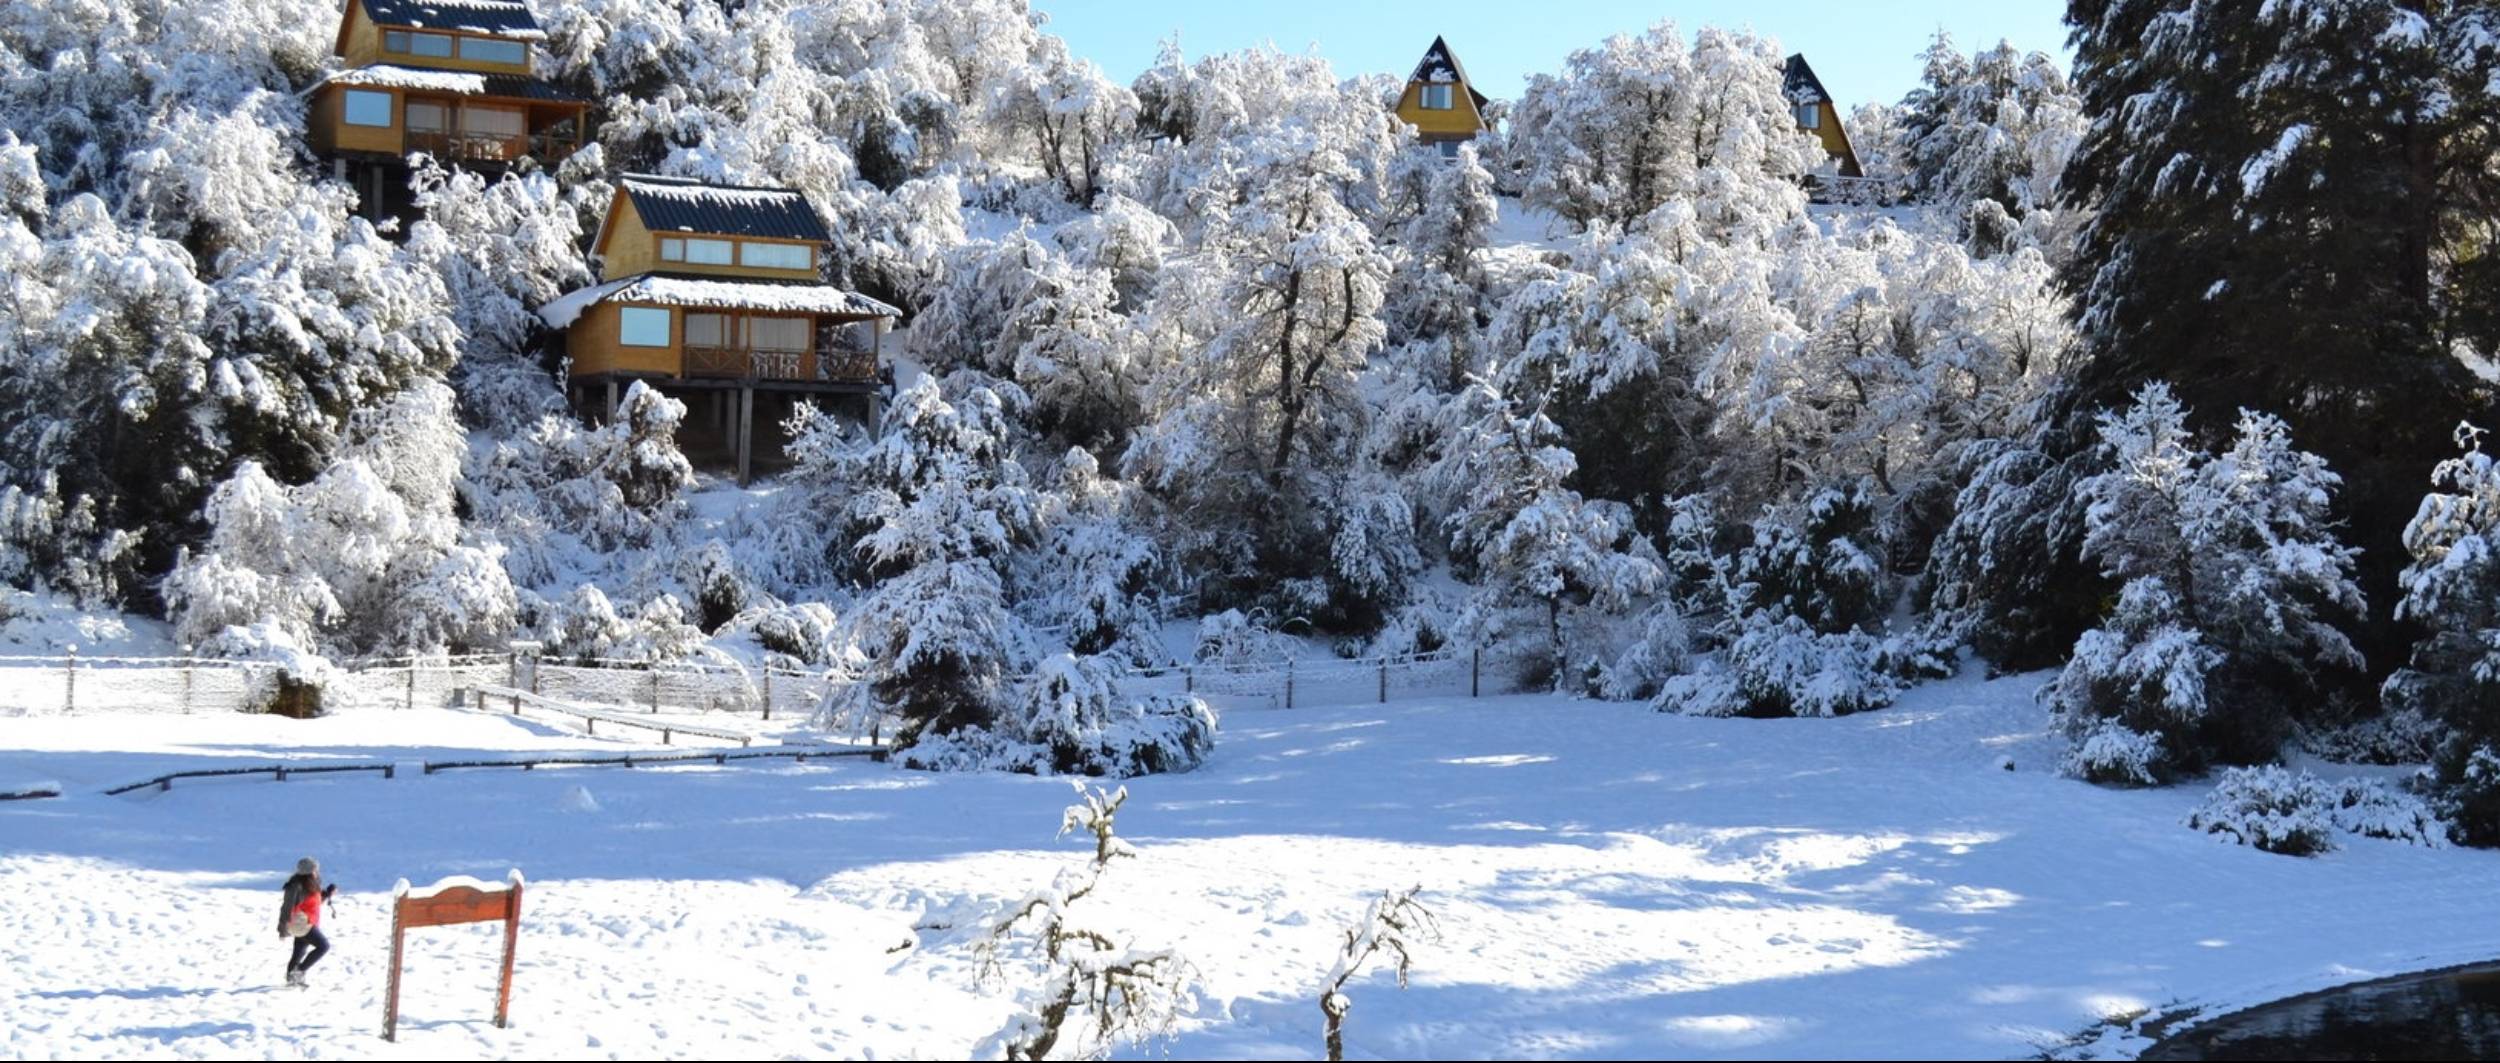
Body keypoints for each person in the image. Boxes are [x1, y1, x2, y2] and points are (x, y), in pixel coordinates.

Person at [277, 857, 336, 987]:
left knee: (298, 953)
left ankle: (292, 981)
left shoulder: (311, 884)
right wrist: (282, 929)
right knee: (323, 946)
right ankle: (298, 973)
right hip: (301, 923)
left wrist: (328, 894)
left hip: (307, 922)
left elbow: (315, 903)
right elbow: (287, 907)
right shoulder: (296, 886)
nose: (317, 872)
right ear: (308, 871)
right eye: (315, 870)